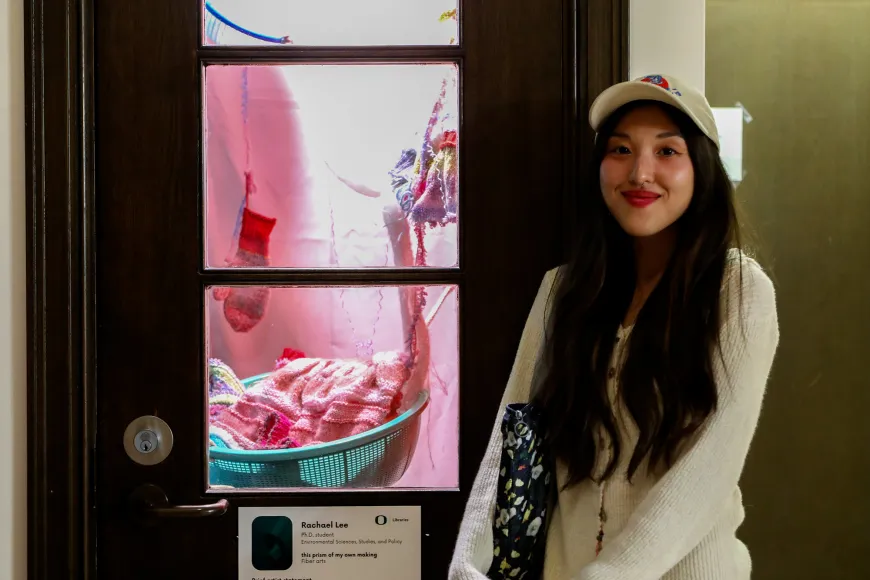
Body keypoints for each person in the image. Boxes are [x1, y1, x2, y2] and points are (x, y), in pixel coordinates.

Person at [449, 74, 780, 579]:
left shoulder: (737, 289)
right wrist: (468, 564)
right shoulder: (563, 289)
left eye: (668, 152)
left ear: (702, 170)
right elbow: (512, 433)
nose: (641, 173)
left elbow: (712, 464)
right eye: (621, 149)